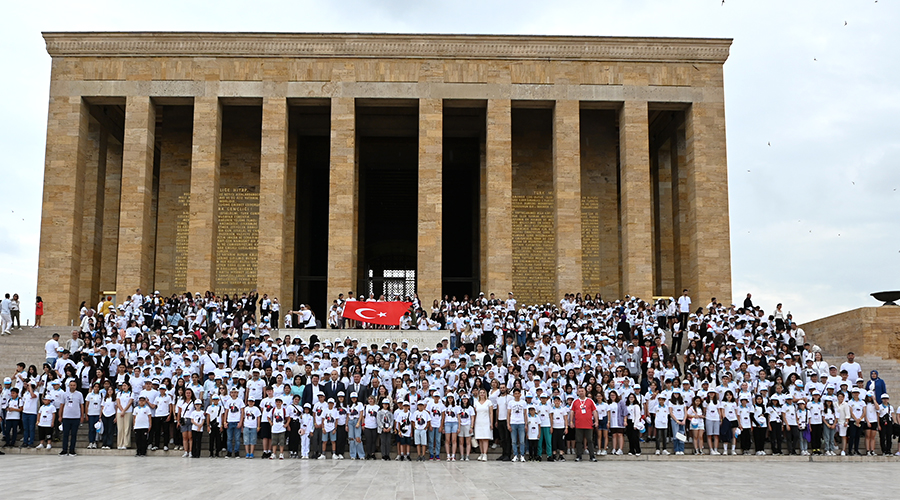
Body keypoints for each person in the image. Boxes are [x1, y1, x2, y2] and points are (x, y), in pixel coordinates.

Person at [569, 386, 597, 462]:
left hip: (589, 424)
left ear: (585, 392)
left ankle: (592, 456)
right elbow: (572, 412)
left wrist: (596, 421)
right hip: (578, 424)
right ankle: (579, 456)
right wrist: (571, 422)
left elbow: (594, 411)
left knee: (590, 440)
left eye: (582, 391)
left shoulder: (590, 401)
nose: (581, 392)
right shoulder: (575, 401)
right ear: (578, 392)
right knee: (578, 440)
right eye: (580, 391)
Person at [58, 380, 85, 456]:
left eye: (74, 385)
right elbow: (62, 405)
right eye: (71, 385)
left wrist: (82, 416)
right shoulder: (64, 394)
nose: (72, 386)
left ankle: (72, 450)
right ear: (69, 386)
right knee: (65, 434)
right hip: (66, 416)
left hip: (76, 417)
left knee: (74, 434)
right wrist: (60, 416)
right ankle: (64, 449)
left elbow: (82, 405)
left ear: (76, 386)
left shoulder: (79, 394)